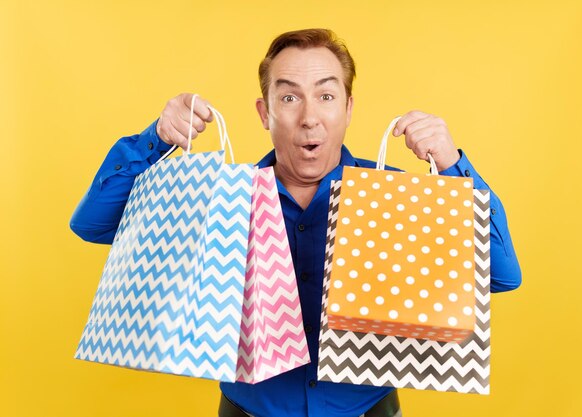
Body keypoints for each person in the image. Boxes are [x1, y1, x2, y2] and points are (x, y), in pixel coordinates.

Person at [70, 28, 521, 417]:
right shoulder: (220, 200)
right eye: (289, 97)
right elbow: (92, 223)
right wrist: (156, 139)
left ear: (347, 108)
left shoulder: (398, 199)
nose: (309, 117)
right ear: (265, 113)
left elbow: (501, 275)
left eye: (326, 96)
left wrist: (451, 163)